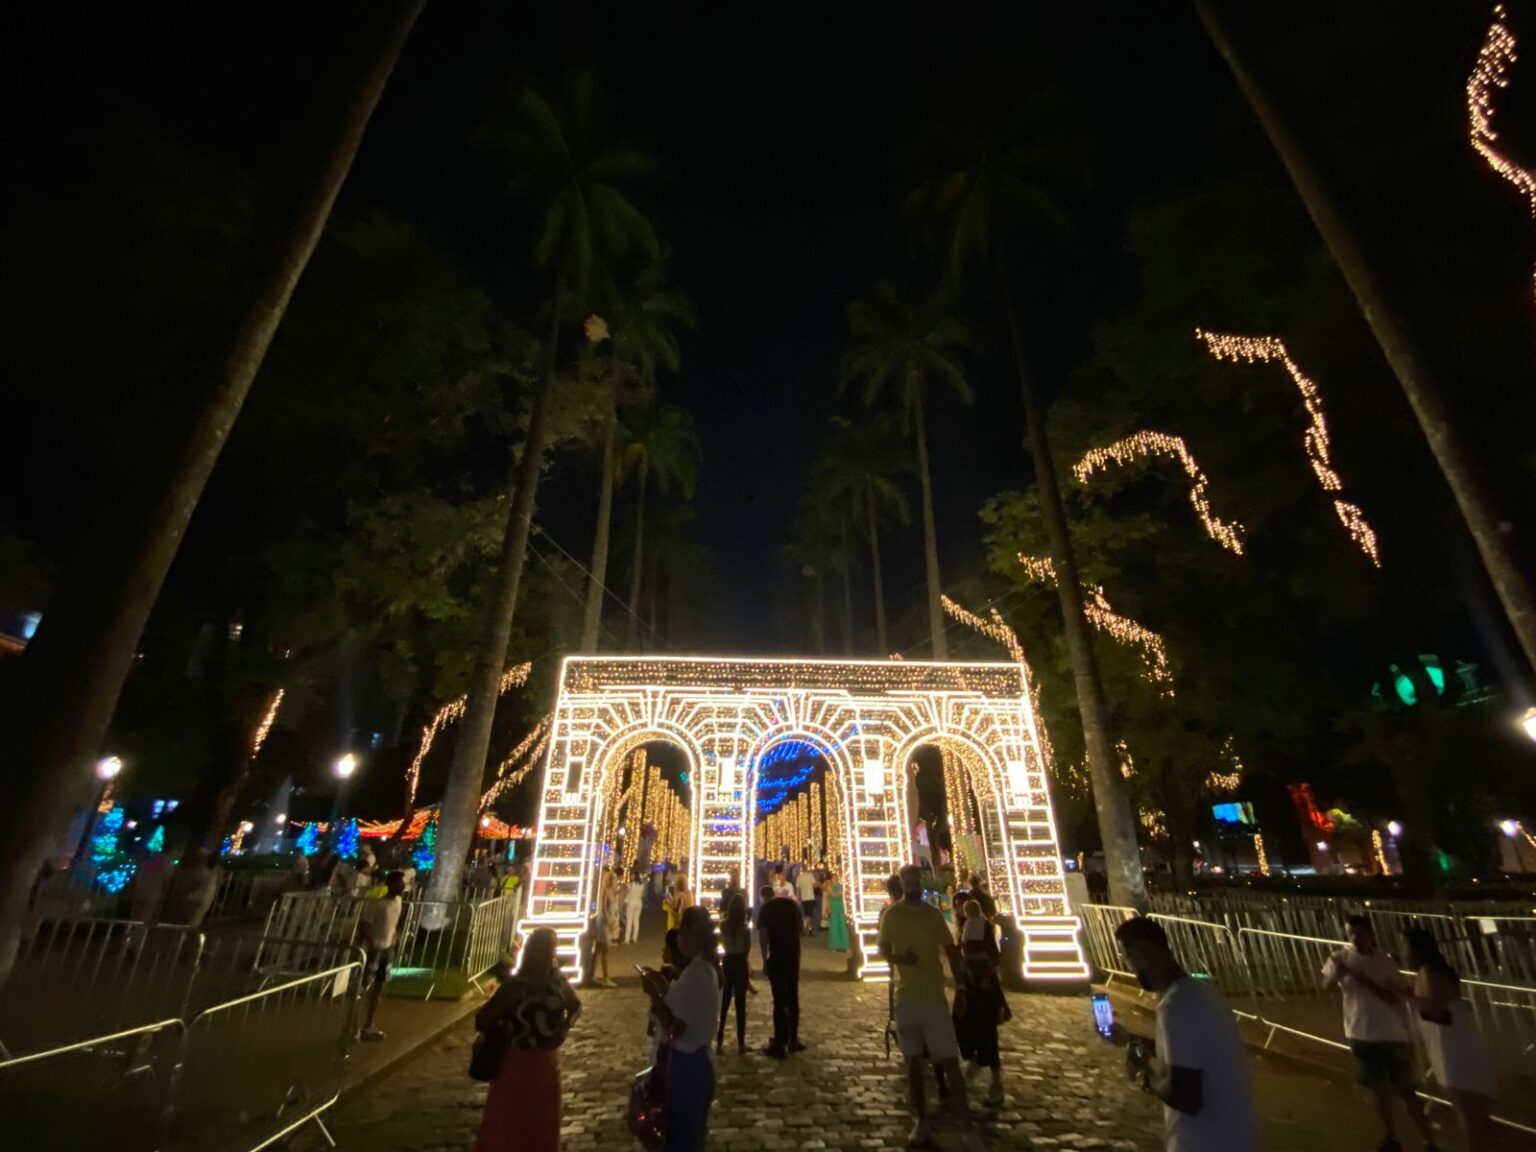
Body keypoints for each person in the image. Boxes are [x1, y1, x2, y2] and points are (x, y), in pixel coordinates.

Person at [1115, 915, 1257, 1152]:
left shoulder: (1175, 1006)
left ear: (1141, 955)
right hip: (1237, 1137)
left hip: (1202, 1142)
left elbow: (1186, 1096)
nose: (1131, 966)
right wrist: (1131, 1040)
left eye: (1128, 958)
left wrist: (1145, 1074)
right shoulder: (1204, 993)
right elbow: (1188, 1054)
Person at [879, 864, 978, 1149]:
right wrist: (900, 960)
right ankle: (921, 1120)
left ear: (919, 883)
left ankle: (966, 1126)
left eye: (915, 880)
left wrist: (960, 987)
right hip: (905, 997)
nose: (912, 885)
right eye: (907, 881)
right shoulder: (892, 915)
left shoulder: (933, 915)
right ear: (902, 884)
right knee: (912, 1065)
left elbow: (951, 951)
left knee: (950, 1062)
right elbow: (884, 948)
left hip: (934, 997)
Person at [1321, 916, 1436, 1152]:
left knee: (1406, 1091)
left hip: (1390, 1033)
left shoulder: (1384, 962)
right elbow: (1325, 987)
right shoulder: (1339, 957)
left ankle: (1428, 1141)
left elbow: (1393, 997)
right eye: (1350, 933)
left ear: (1371, 934)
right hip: (1360, 1031)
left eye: (1359, 933)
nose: (1354, 938)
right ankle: (1391, 1137)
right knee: (1377, 1090)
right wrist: (1336, 975)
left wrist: (1361, 979)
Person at [472, 926, 581, 1152]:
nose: (552, 954)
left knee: (543, 1125)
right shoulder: (515, 985)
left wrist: (564, 1028)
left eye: (554, 948)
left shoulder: (557, 980)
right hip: (515, 1063)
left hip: (546, 1064)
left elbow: (576, 1005)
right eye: (549, 948)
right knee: (508, 1125)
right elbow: (482, 1019)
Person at [1402, 927, 1495, 1150]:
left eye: (1403, 946)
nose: (1401, 952)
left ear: (1415, 949)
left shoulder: (1429, 972)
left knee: (1469, 1114)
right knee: (1474, 1114)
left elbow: (1435, 1008)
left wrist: (1403, 995)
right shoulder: (1430, 972)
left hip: (1454, 1051)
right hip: (1452, 1048)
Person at [640, 905, 721, 1152]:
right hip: (690, 1064)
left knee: (681, 1139)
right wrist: (665, 988)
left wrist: (655, 994)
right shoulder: (701, 969)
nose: (679, 939)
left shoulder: (698, 973)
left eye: (683, 932)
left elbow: (676, 1027)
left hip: (687, 1066)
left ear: (694, 933)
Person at [955, 899, 1008, 1105]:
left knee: (985, 1028)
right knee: (969, 1025)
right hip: (971, 982)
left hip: (981, 983)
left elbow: (990, 954)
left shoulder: (981, 927)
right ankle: (974, 1060)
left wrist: (984, 975)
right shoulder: (973, 926)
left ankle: (994, 1081)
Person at [355, 871, 406, 1041]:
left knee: (379, 987)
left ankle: (369, 1024)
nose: (403, 886)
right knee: (364, 987)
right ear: (390, 885)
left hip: (387, 949)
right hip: (374, 949)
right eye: (399, 883)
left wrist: (394, 936)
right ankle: (354, 1024)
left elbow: (394, 922)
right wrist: (372, 943)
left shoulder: (398, 902)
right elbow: (364, 924)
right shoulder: (378, 905)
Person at [757, 882, 804, 1058]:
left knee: (779, 999)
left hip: (776, 956)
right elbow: (801, 929)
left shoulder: (765, 910)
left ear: (763, 897)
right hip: (793, 956)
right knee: (793, 997)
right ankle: (793, 1039)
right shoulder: (792, 905)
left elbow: (763, 936)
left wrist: (764, 959)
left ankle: (779, 1041)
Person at [717, 892, 752, 1054]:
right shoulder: (744, 928)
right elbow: (747, 948)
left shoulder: (723, 925)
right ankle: (740, 1043)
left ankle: (719, 1042)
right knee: (740, 1004)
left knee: (724, 1004)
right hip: (739, 962)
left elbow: (720, 943)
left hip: (728, 961)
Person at [162, 849, 220, 928]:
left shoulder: (202, 871)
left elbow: (194, 885)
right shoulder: (209, 872)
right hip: (197, 900)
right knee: (191, 923)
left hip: (193, 899)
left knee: (188, 923)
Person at [826, 870, 849, 952]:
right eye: (834, 878)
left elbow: (837, 894)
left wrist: (834, 894)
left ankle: (844, 945)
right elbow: (831, 895)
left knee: (841, 925)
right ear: (831, 879)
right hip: (834, 906)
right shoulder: (830, 886)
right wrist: (828, 908)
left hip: (839, 905)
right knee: (834, 925)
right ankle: (835, 945)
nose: (835, 879)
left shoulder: (839, 886)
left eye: (836, 878)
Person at [624, 868, 647, 944]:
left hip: (631, 903)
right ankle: (634, 938)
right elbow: (643, 894)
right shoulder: (642, 885)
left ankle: (627, 939)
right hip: (639, 903)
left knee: (629, 921)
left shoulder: (630, 885)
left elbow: (627, 894)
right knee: (636, 921)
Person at [795, 864, 818, 936]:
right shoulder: (810, 876)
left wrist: (797, 898)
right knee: (810, 914)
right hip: (810, 896)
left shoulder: (799, 877)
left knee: (807, 913)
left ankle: (809, 929)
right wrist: (818, 883)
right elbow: (814, 885)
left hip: (804, 897)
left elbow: (798, 889)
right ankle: (805, 926)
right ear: (807, 868)